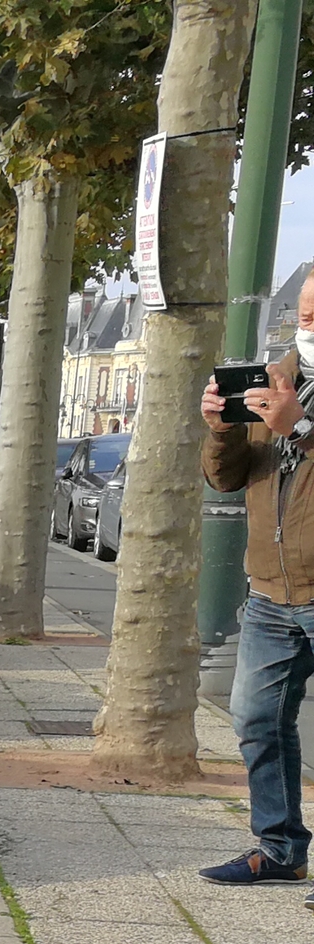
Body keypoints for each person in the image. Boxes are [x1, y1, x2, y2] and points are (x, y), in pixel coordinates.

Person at [200, 275, 314, 895]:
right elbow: (227, 480)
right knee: (256, 718)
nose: (308, 323)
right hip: (271, 591)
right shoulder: (274, 380)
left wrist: (300, 428)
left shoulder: (290, 403)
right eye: (303, 311)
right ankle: (279, 849)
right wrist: (220, 428)